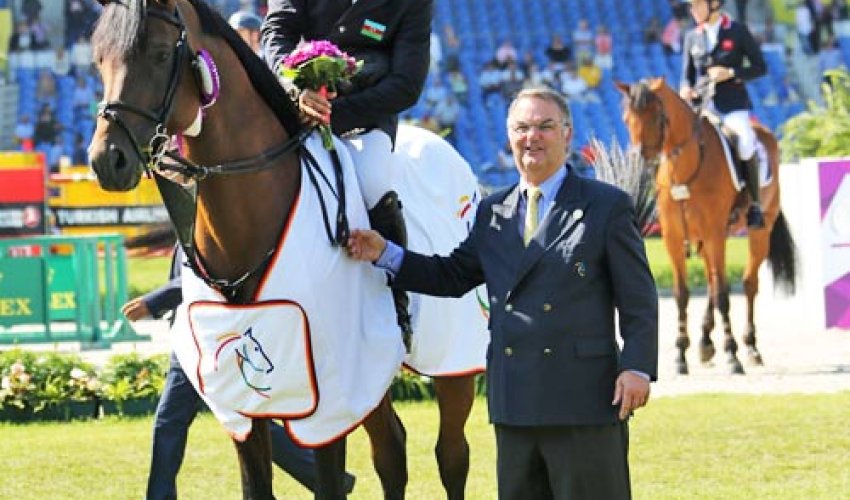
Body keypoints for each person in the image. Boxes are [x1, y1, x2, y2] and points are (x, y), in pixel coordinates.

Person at [347, 87, 659, 499]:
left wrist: (637, 367)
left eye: (545, 126)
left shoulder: (606, 207)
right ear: (509, 137)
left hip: (583, 400)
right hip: (516, 403)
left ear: (567, 134)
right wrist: (385, 253)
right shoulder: (493, 212)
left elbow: (639, 300)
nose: (533, 136)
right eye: (522, 127)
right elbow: (451, 275)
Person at [261, 0, 433, 346]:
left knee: (373, 183)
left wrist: (335, 113)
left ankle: (396, 302)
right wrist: (296, 90)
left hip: (363, 120)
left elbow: (406, 84)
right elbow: (277, 33)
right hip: (295, 106)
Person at [122, 246, 355, 499]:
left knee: (241, 421)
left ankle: (323, 477)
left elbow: (210, 273)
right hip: (192, 339)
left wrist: (155, 301)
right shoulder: (187, 217)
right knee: (175, 420)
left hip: (222, 337)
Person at [679, 0, 767, 228]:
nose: (693, 11)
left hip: (731, 106)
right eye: (691, 7)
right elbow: (686, 76)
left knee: (746, 142)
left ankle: (754, 204)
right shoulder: (691, 37)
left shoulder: (737, 31)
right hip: (701, 107)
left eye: (697, 5)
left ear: (714, 5)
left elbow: (760, 67)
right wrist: (685, 88)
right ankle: (680, 204)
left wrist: (730, 72)